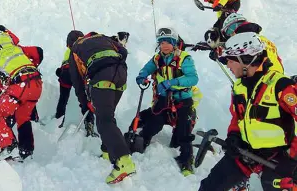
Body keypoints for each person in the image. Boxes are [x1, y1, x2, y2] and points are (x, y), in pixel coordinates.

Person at [198, 32, 297, 191]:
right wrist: (234, 136)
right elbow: (238, 118)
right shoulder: (239, 88)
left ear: (245, 60)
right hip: (247, 152)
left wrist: (294, 159)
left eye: (230, 60)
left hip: (280, 157)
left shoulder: (280, 86)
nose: (228, 65)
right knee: (209, 186)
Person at [68, 31, 133, 184]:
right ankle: (107, 151)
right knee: (108, 116)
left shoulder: (75, 49)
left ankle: (124, 161)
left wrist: (85, 105)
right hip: (121, 74)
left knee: (104, 120)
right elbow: (123, 51)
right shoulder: (101, 37)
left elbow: (77, 84)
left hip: (102, 76)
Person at [133, 27, 198, 176]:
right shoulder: (157, 58)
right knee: (154, 122)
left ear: (174, 43)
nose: (164, 46)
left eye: (168, 42)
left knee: (183, 131)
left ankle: (186, 159)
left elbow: (193, 78)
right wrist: (142, 76)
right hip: (163, 99)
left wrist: (170, 82)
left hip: (182, 100)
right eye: (161, 43)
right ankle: (142, 140)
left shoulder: (184, 58)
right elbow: (146, 69)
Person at [0, 29, 43, 161]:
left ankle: (8, 146)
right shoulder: (16, 50)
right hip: (36, 83)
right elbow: (38, 51)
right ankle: (26, 151)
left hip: (19, 86)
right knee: (23, 117)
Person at [0, 25, 43, 125]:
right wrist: (33, 67)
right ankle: (34, 121)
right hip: (31, 81)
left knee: (2, 104)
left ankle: (5, 124)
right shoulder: (18, 49)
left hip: (14, 87)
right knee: (28, 97)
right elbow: (38, 51)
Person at [52, 30, 98, 137]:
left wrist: (60, 72)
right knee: (85, 99)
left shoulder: (68, 51)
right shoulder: (84, 50)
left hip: (65, 74)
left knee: (63, 99)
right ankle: (89, 123)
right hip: (79, 74)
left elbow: (64, 64)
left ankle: (58, 120)